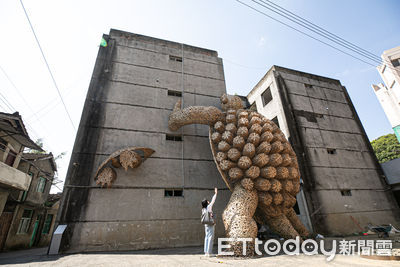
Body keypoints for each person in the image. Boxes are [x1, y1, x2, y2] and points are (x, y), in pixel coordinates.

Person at [202, 188, 217, 257]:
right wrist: (215, 193)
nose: (209, 201)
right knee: (211, 237)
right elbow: (213, 201)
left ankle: (206, 252)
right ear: (207, 202)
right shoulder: (209, 207)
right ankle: (209, 253)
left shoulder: (203, 209)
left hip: (206, 224)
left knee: (207, 237)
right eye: (208, 201)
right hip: (210, 224)